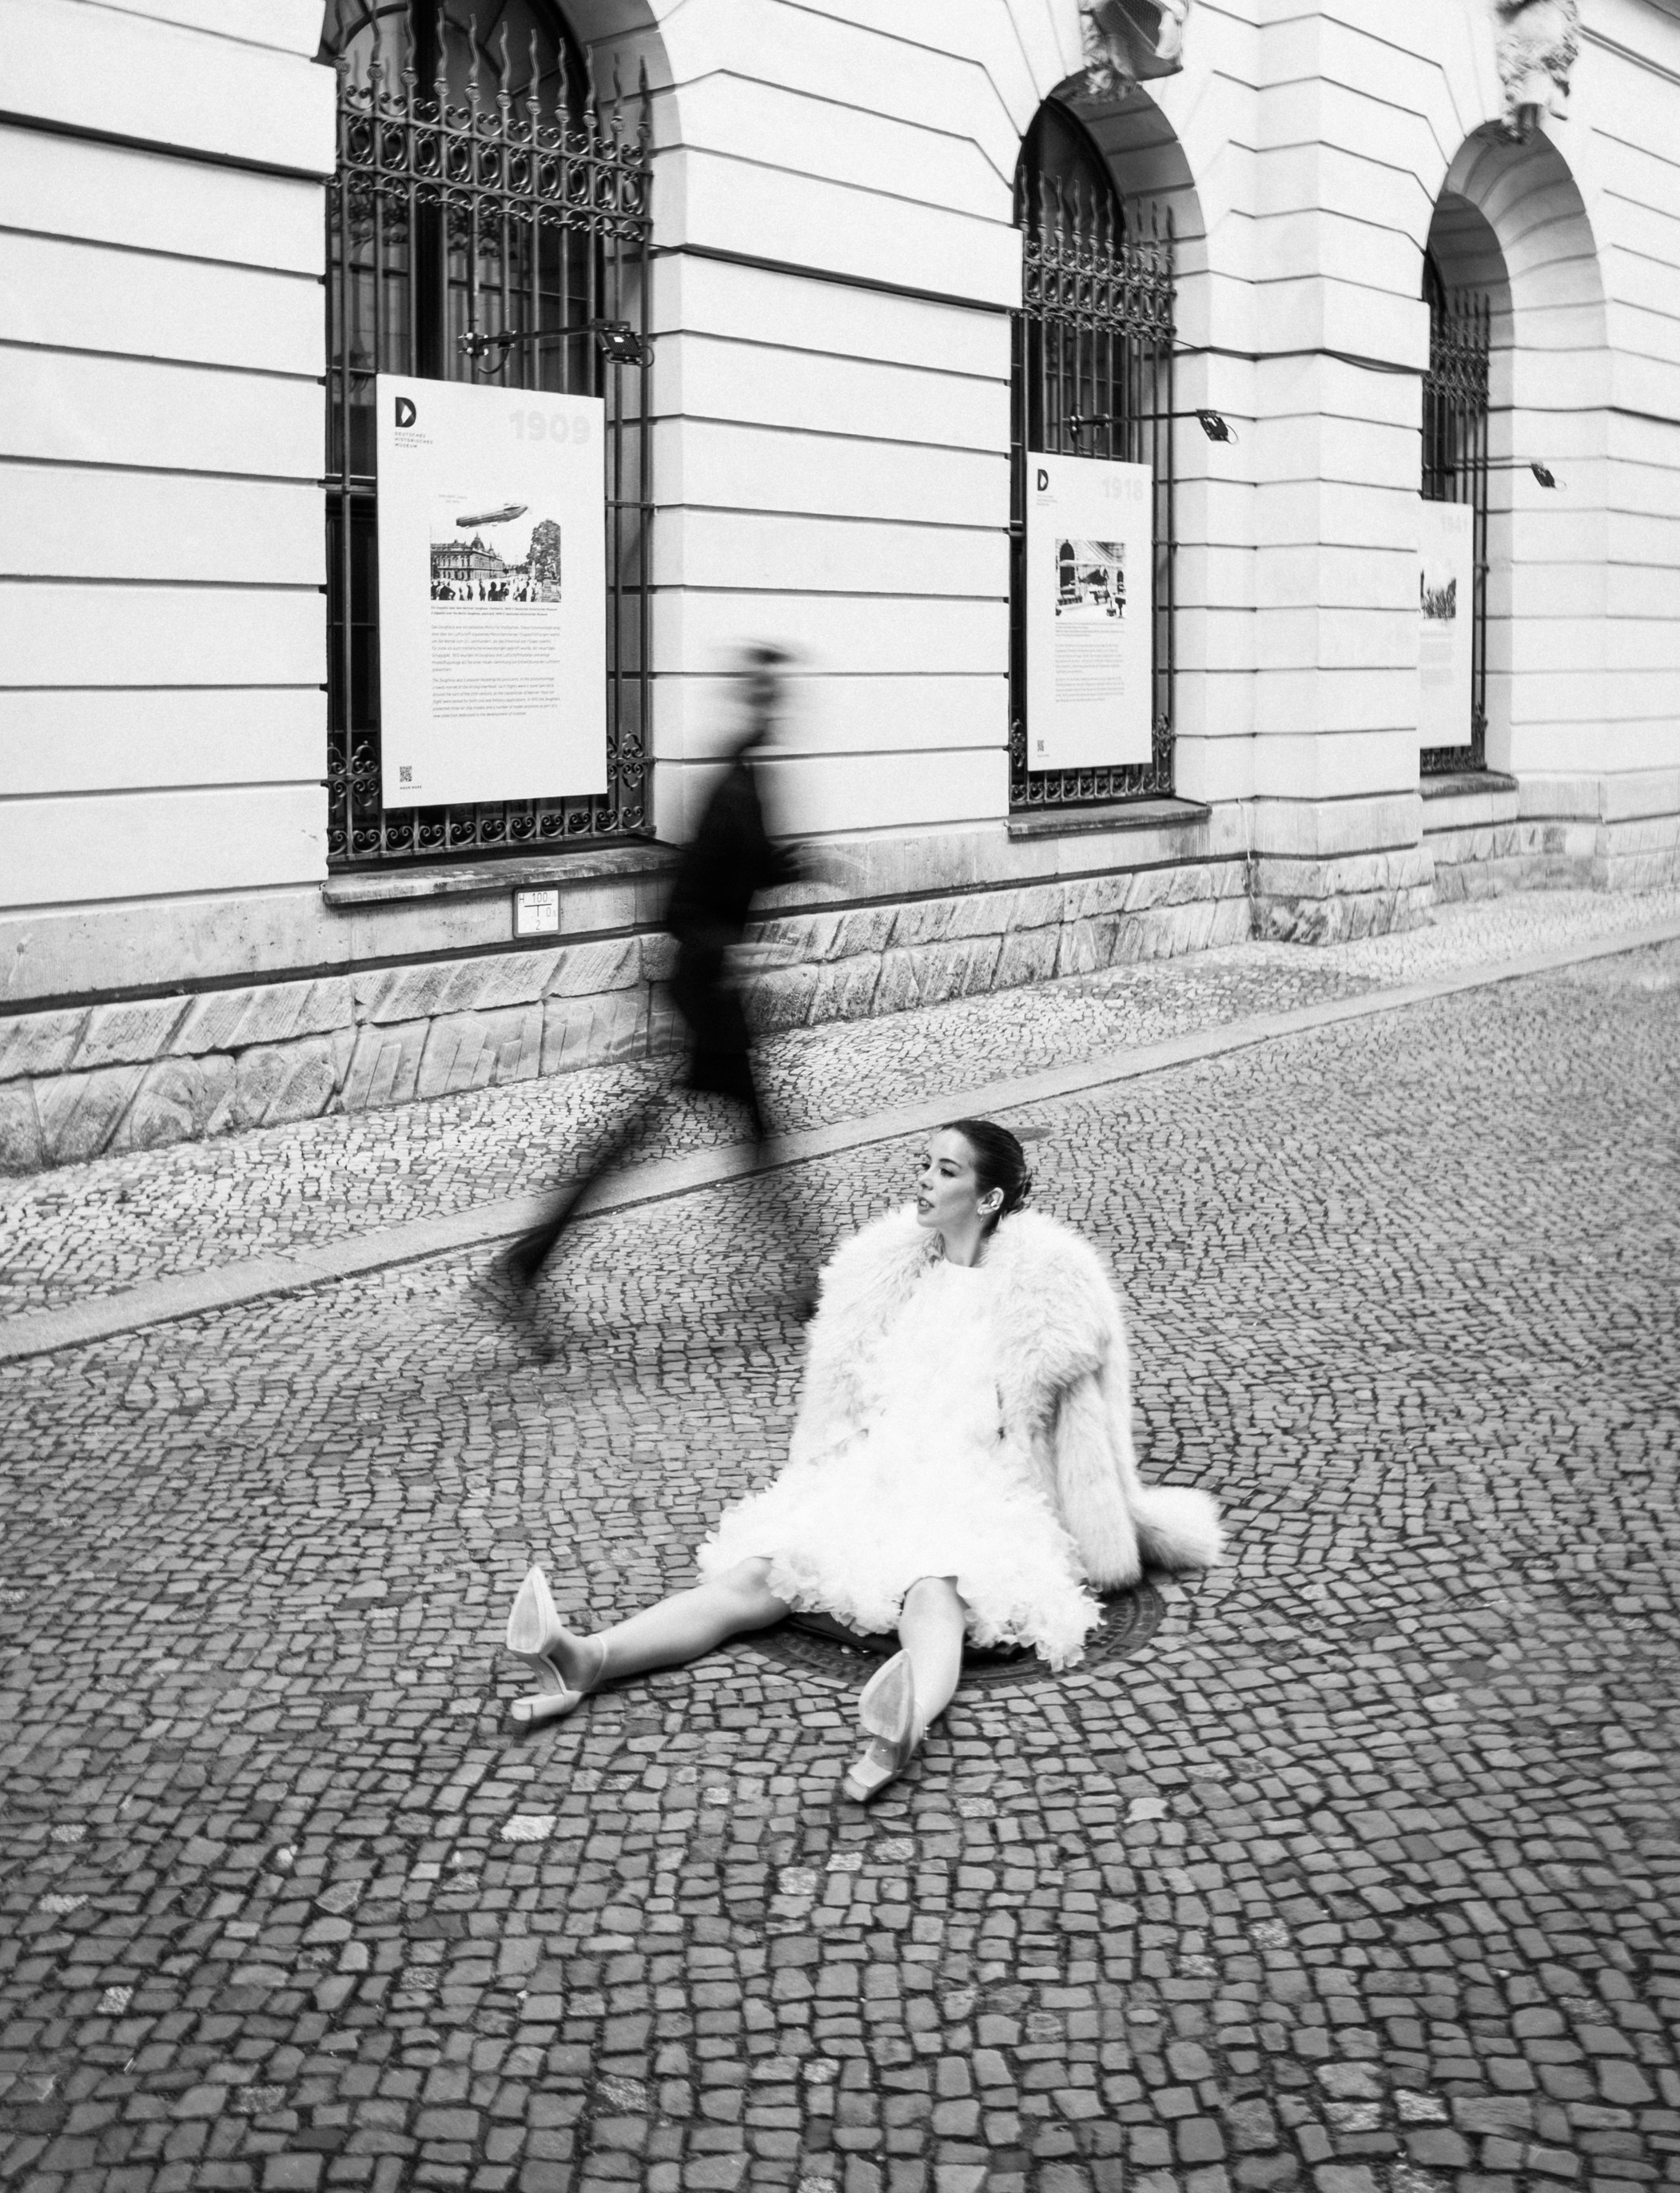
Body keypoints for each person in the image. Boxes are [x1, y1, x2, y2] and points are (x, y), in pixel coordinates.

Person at [498, 1117, 1224, 1801]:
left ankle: (905, 1720)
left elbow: (1087, 1432)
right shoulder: (894, 1273)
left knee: (934, 1587)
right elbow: (857, 1396)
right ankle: (586, 1657)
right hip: (880, 1468)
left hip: (984, 1483)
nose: (924, 1182)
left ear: (989, 1196)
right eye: (925, 1166)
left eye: (944, 1171)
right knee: (760, 1573)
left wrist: (1100, 1513)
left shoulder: (1041, 1293)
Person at [500, 645, 808, 1297]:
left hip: (713, 988)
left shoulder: (749, 779)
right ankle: (806, 1279)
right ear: (752, 703)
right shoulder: (731, 788)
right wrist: (734, 950)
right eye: (769, 698)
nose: (778, 710)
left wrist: (800, 866)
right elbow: (684, 907)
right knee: (736, 1132)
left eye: (779, 698)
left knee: (723, 1131)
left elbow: (744, 868)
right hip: (708, 990)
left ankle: (529, 1263)